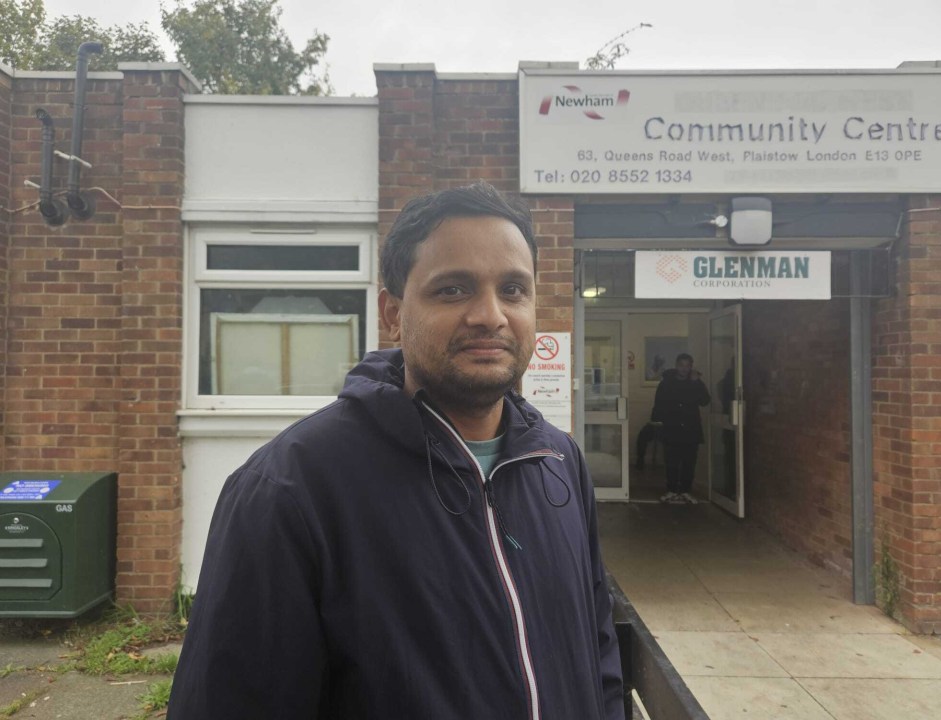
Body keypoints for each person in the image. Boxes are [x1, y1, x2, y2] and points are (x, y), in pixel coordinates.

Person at [167, 182, 625, 720]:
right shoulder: (291, 488)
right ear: (392, 312)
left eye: (513, 289)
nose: (490, 315)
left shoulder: (559, 462)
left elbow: (598, 653)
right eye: (453, 290)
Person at [651, 353, 711, 504]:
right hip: (671, 428)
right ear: (676, 365)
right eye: (681, 365)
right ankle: (671, 490)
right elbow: (658, 403)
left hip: (691, 429)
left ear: (691, 367)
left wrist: (697, 383)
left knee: (689, 462)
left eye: (687, 366)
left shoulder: (695, 383)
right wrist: (658, 422)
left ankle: (685, 490)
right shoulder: (666, 383)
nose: (684, 369)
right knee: (671, 461)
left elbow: (705, 401)